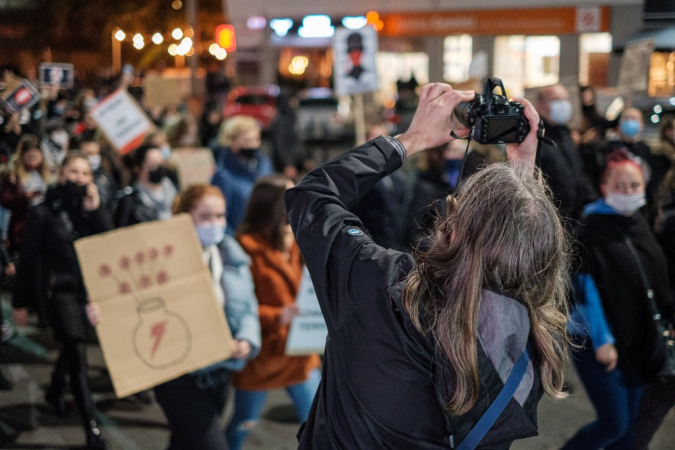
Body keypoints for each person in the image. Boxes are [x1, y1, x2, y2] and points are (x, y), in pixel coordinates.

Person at [286, 83, 571, 448]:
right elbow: (518, 256)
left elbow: (311, 196)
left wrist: (409, 139)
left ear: (448, 230)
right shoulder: (535, 340)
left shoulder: (379, 285)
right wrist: (521, 177)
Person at [88, 184, 261, 450]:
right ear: (184, 216)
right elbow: (127, 304)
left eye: (220, 216)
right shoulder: (158, 259)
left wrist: (246, 340)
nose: (214, 224)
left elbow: (247, 308)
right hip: (177, 373)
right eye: (205, 217)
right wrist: (103, 313)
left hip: (220, 373)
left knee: (185, 442)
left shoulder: (232, 258)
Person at [562, 150, 675, 450]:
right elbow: (585, 290)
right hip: (600, 344)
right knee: (615, 424)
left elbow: (655, 277)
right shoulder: (591, 229)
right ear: (604, 187)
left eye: (634, 186)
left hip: (638, 341)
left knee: (629, 429)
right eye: (620, 186)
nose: (628, 192)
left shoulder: (639, 224)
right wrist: (603, 341)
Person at [12, 152, 113, 450]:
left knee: (72, 346)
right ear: (61, 174)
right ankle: (91, 428)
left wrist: (95, 210)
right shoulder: (42, 212)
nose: (79, 179)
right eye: (73, 172)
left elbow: (109, 243)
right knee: (78, 353)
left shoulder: (90, 209)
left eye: (85, 174)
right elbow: (28, 260)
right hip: (60, 292)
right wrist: (21, 302)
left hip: (90, 291)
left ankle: (56, 390)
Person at [226, 175, 321, 450]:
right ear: (271, 206)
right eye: (289, 197)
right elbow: (237, 307)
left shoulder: (299, 238)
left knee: (319, 421)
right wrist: (276, 315)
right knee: (243, 422)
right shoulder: (245, 247)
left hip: (300, 349)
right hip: (263, 353)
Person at [536, 84, 597, 230]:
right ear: (540, 105)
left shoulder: (565, 134)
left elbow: (577, 172)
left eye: (566, 100)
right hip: (550, 221)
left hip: (574, 220)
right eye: (557, 100)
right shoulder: (534, 137)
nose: (563, 104)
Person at [211, 116, 272, 234]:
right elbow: (221, 220)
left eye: (256, 139)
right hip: (240, 238)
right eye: (247, 141)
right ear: (232, 142)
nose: (253, 145)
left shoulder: (265, 164)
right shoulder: (223, 176)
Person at [0, 134, 50, 253]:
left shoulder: (44, 173)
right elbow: (5, 199)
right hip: (19, 226)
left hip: (41, 224)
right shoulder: (12, 174)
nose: (33, 161)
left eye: (36, 157)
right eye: (29, 157)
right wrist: (25, 196)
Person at [114, 144, 178, 228]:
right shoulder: (129, 201)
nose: (158, 169)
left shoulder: (172, 189)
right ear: (137, 169)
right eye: (152, 166)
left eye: (161, 165)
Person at [78, 138, 118, 214]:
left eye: (93, 154)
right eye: (86, 154)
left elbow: (106, 205)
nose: (90, 157)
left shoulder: (103, 178)